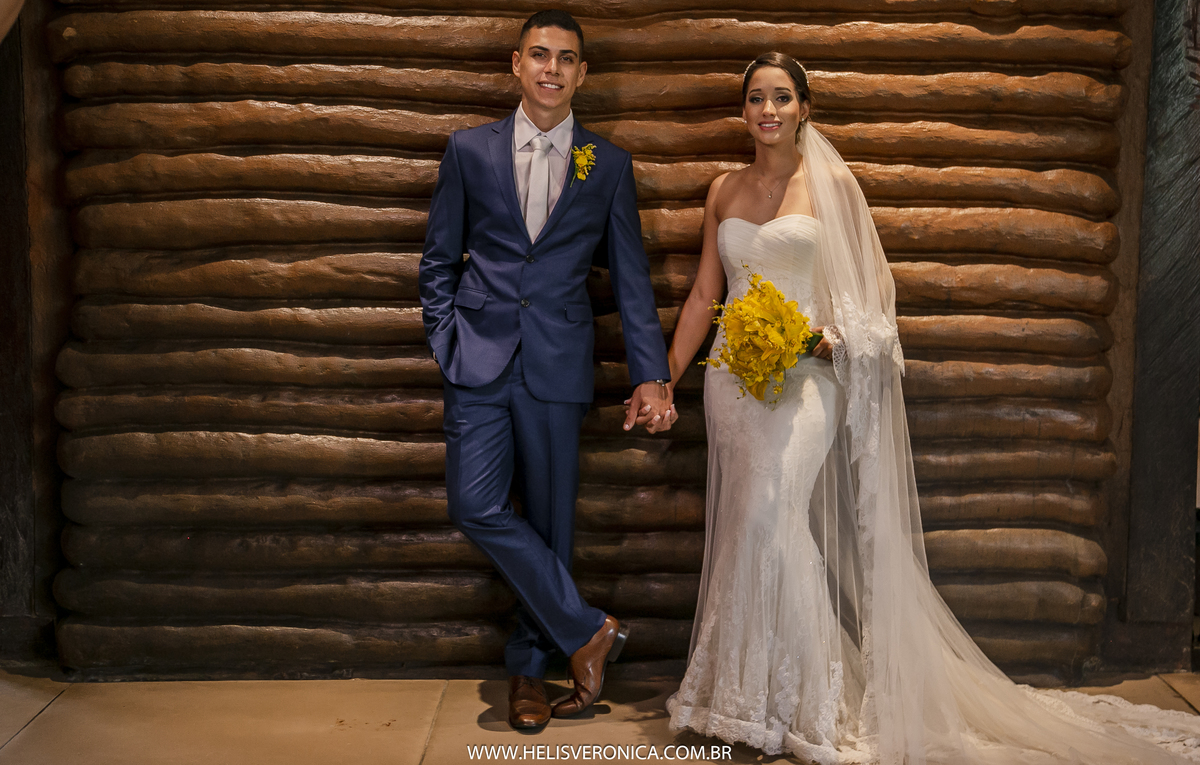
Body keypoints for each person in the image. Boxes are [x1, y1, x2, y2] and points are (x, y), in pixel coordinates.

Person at [660, 51, 1200, 764]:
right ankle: (739, 698)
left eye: (782, 97)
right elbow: (707, 293)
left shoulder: (834, 185)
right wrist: (663, 379)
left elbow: (873, 302)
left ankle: (805, 702)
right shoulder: (722, 189)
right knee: (744, 526)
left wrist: (826, 339)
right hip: (733, 382)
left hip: (806, 380)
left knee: (769, 514)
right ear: (743, 110)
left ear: (804, 108)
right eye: (756, 97)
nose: (768, 110)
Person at [419, 10, 677, 732]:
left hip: (559, 363)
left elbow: (630, 279)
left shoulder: (607, 164)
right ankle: (587, 628)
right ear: (516, 64)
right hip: (476, 358)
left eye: (566, 58)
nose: (551, 69)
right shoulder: (468, 150)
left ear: (582, 74)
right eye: (539, 55)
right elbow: (438, 259)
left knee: (552, 522)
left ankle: (530, 672)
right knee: (474, 504)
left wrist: (649, 374)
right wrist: (445, 339)